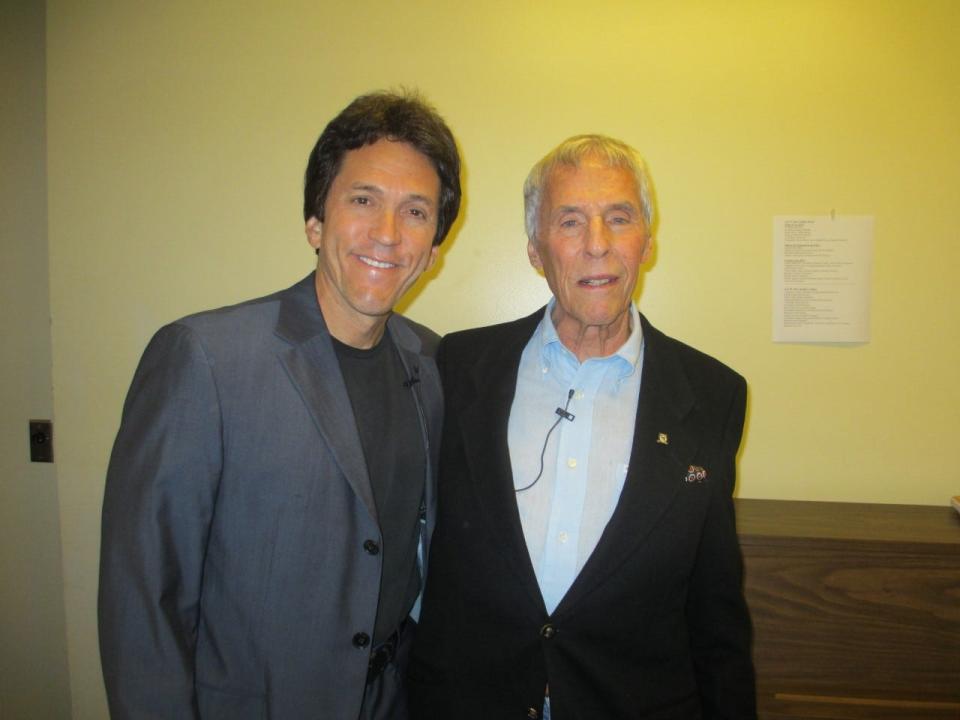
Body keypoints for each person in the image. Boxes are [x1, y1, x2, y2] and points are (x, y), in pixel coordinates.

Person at [98, 90, 461, 720]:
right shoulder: (205, 359)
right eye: (363, 200)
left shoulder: (432, 364)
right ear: (315, 222)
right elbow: (143, 600)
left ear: (433, 249)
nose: (387, 233)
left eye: (415, 212)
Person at [409, 135, 756, 719]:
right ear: (535, 250)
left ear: (645, 240)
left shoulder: (713, 393)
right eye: (570, 222)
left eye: (618, 218)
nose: (597, 245)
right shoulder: (457, 367)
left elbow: (715, 608)